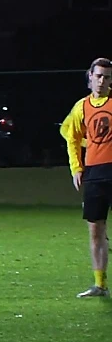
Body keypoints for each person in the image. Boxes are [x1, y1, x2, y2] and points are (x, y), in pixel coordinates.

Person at [60, 57, 112, 298]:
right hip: (95, 172)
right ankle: (99, 285)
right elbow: (70, 135)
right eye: (98, 75)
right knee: (95, 229)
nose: (102, 81)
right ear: (90, 77)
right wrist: (76, 168)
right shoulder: (82, 107)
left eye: (107, 77)